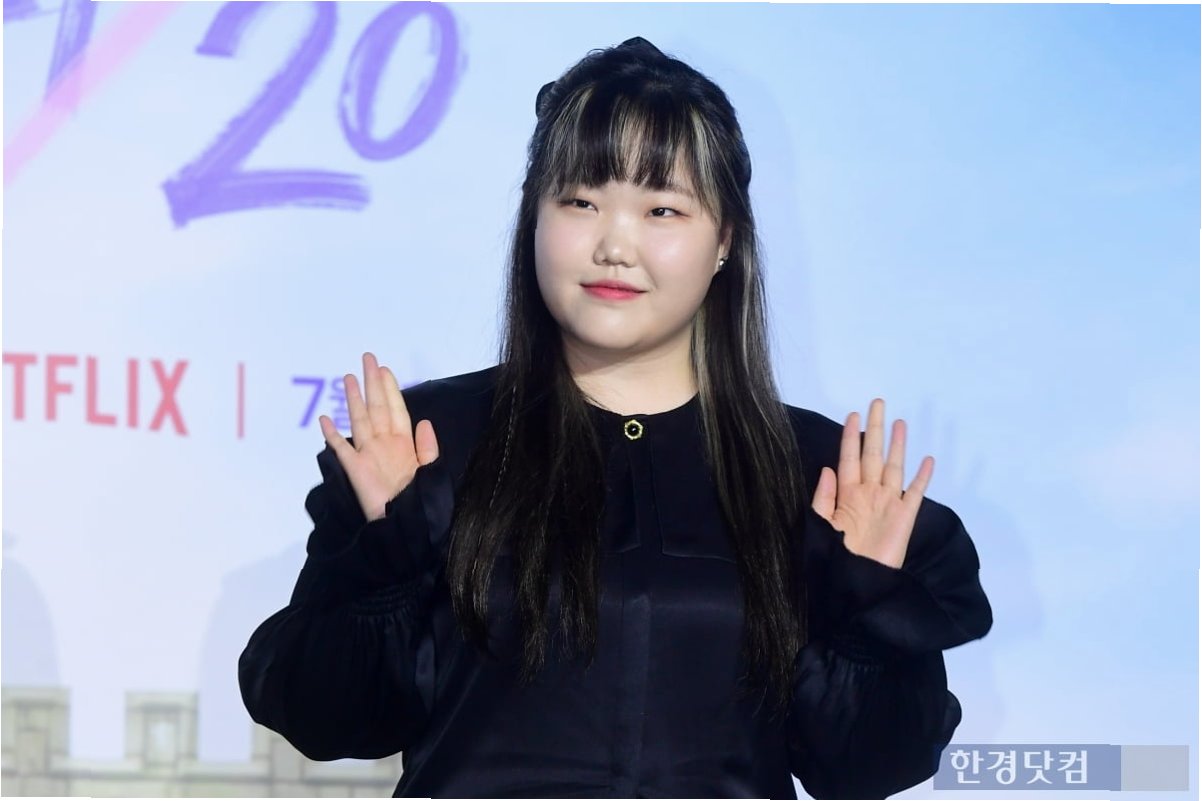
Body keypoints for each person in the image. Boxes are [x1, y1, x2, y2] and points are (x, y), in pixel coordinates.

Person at [238, 37, 992, 799]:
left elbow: (869, 766)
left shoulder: (817, 473)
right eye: (580, 202)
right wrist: (381, 558)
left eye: (662, 209)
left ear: (725, 239)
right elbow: (324, 719)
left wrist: (866, 598)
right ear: (534, 216)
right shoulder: (431, 443)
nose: (614, 245)